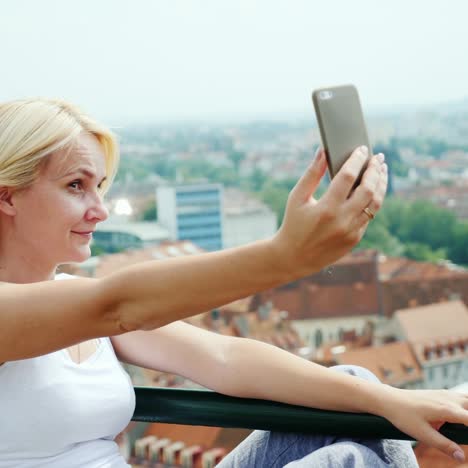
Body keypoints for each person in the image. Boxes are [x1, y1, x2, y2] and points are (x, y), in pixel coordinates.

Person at [0, 98, 466, 468]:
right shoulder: (68, 309)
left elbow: (225, 357)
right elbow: (118, 305)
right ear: (8, 195)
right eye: (76, 186)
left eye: (100, 186)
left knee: (358, 385)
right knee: (346, 462)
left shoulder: (82, 301)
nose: (99, 209)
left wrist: (391, 399)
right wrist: (286, 255)